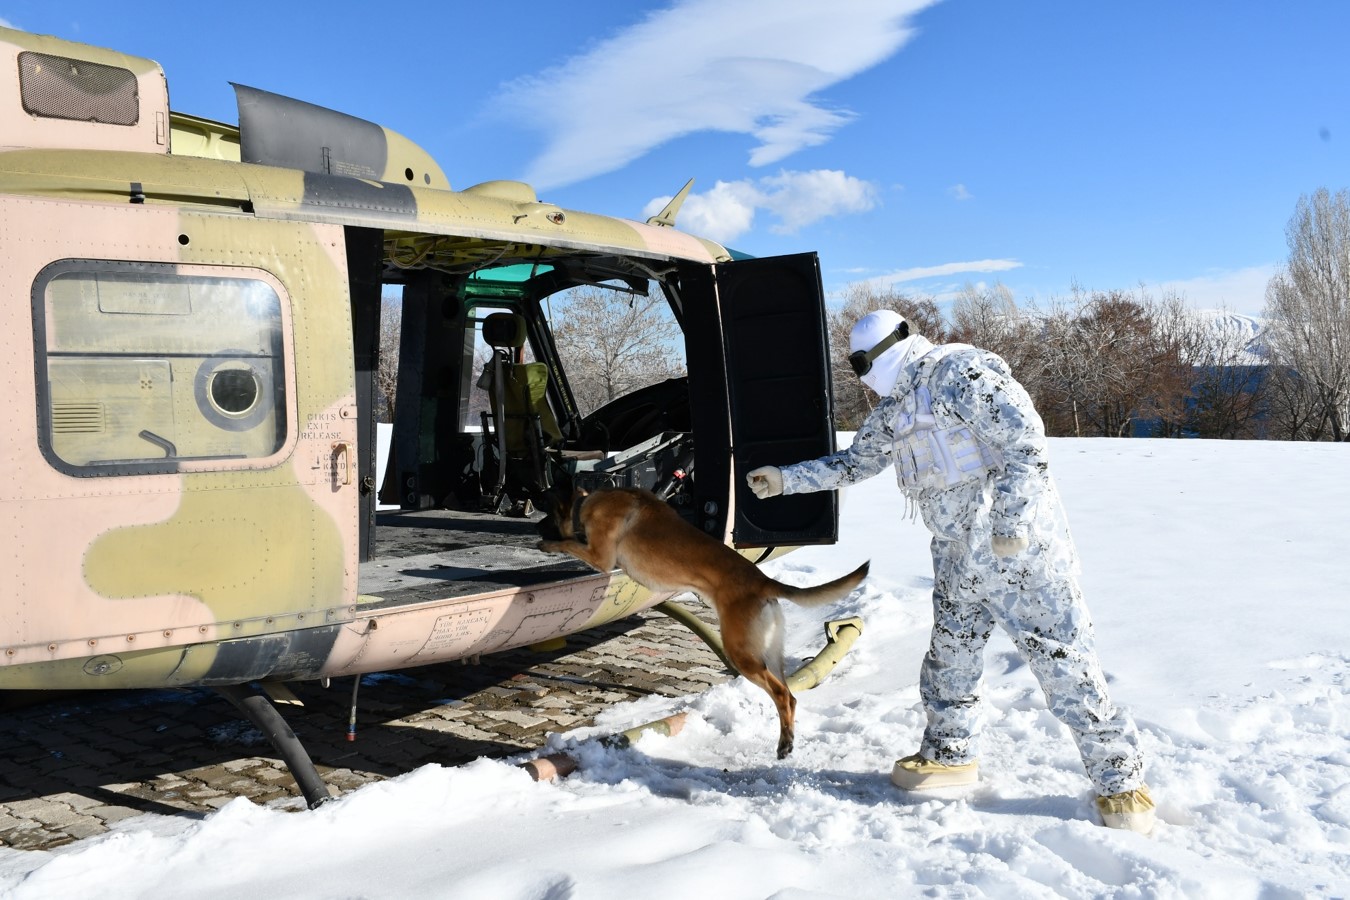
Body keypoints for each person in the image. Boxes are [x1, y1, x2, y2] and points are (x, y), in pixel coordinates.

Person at [746, 309, 1156, 834]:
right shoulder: (898, 408)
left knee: (1065, 666)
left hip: (1022, 560)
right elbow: (855, 463)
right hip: (958, 560)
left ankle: (1121, 783)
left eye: (860, 364)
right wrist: (785, 480)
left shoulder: (959, 374)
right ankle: (949, 754)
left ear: (884, 352)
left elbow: (1026, 442)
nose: (861, 377)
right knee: (949, 663)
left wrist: (1011, 521)